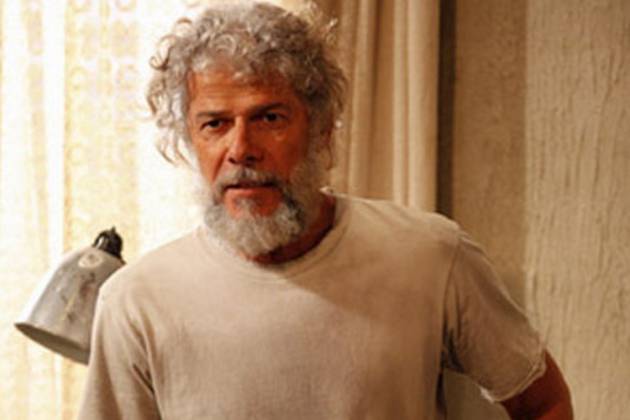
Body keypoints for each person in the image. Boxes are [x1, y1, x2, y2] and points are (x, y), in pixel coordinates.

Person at [78, 2, 572, 419]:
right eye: (215, 124)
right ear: (189, 140)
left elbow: (543, 402)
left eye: (269, 117)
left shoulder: (430, 255)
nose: (241, 149)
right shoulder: (135, 303)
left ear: (321, 130)